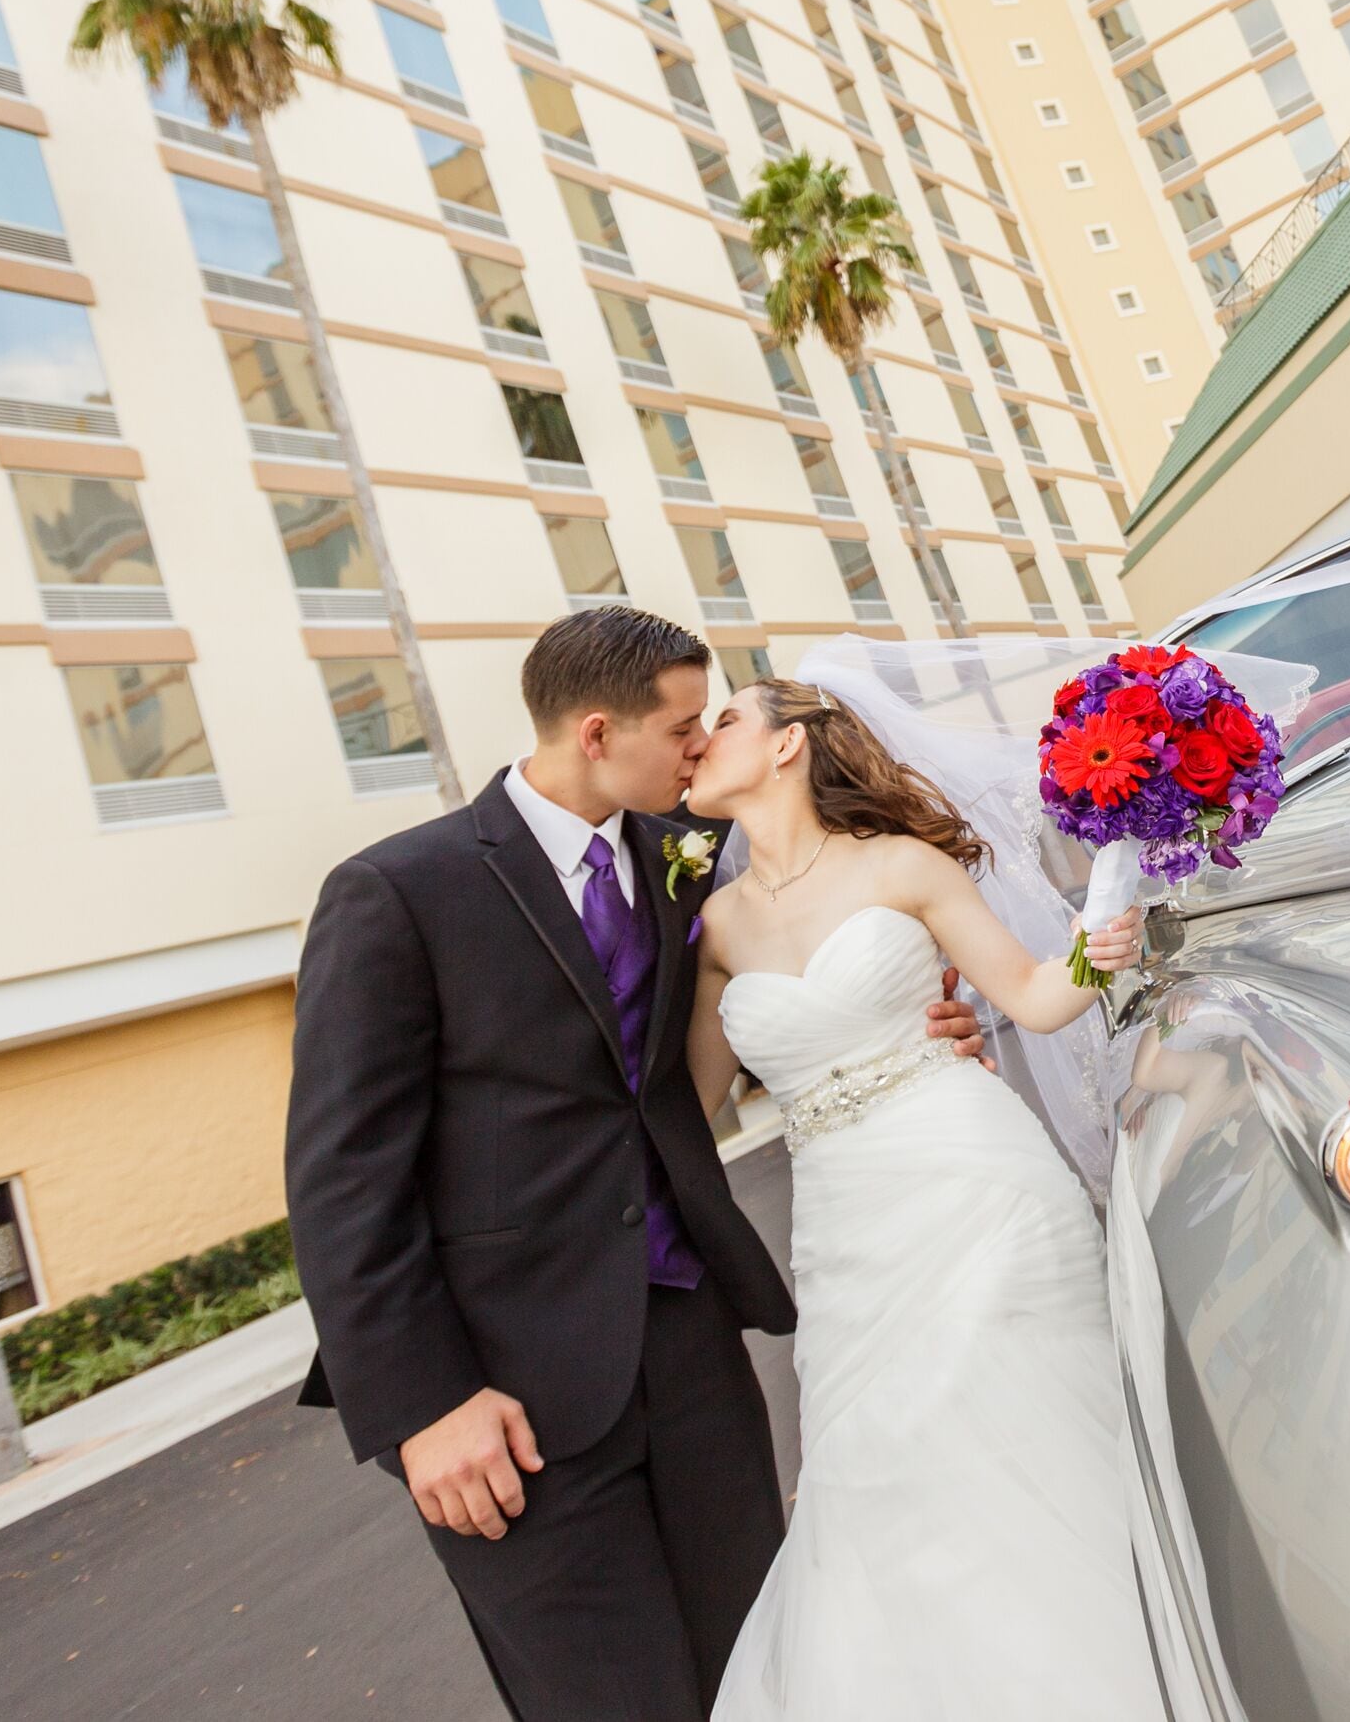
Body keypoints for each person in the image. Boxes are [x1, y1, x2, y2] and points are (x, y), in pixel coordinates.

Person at [284, 609, 1001, 1722]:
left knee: (766, 1671)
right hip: (505, 1395)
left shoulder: (692, 865)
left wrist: (917, 1023)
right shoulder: (397, 891)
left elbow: (768, 990)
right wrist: (424, 1404)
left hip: (691, 1350)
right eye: (679, 728)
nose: (699, 747)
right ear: (597, 729)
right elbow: (340, 1177)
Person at [686, 679, 1160, 1720]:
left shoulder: (900, 864)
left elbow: (1032, 993)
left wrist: (1100, 936)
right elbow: (682, 1106)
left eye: (723, 717)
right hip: (845, 1234)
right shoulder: (713, 923)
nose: (698, 737)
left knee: (1030, 1440)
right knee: (876, 1473)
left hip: (979, 1186)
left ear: (785, 747)